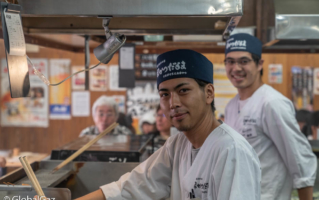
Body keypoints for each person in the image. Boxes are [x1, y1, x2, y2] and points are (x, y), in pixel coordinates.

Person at [72, 49, 261, 200]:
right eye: (165, 94)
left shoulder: (232, 151)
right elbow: (132, 186)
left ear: (209, 93)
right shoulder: (177, 145)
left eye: (184, 90)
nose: (173, 103)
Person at [224, 33, 317, 200]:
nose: (236, 68)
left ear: (259, 64)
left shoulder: (272, 103)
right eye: (230, 61)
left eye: (244, 61)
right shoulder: (231, 106)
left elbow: (299, 158)